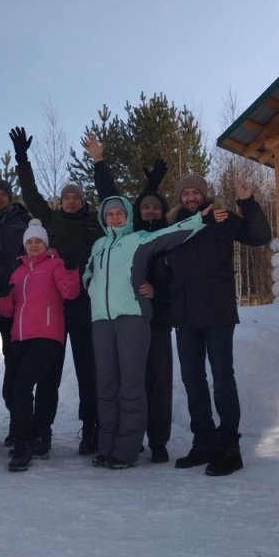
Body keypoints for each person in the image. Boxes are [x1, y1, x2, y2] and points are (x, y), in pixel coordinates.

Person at [83, 196, 211, 469]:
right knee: (106, 385)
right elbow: (89, 270)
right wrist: (89, 283)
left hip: (132, 318)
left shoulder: (138, 239)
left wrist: (199, 219)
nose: (115, 218)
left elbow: (171, 234)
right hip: (101, 321)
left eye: (119, 213)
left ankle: (126, 450)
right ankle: (106, 446)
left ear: (128, 216)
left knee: (131, 385)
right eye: (110, 214)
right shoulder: (98, 245)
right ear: (104, 218)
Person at [166, 173, 271, 476]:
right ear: (180, 197)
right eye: (185, 193)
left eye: (195, 192)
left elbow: (259, 235)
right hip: (185, 315)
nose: (191, 197)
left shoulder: (221, 218)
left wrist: (247, 201)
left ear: (204, 194)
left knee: (223, 379)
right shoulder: (173, 227)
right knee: (192, 380)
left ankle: (229, 449)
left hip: (218, 313)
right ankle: (203, 443)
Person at [10, 125, 102, 455]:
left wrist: (99, 163)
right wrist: (23, 160)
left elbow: (114, 199)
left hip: (85, 303)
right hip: (55, 306)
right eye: (67, 197)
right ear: (61, 202)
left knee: (88, 368)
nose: (71, 201)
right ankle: (41, 430)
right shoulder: (50, 219)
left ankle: (90, 427)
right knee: (49, 371)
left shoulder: (96, 222)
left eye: (76, 197)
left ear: (83, 201)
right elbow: (31, 195)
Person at [85, 134, 175, 462]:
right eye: (145, 206)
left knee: (151, 382)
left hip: (154, 317)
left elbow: (182, 271)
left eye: (156, 206)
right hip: (115, 316)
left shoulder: (155, 236)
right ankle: (121, 442)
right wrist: (98, 162)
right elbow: (112, 199)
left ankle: (156, 442)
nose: (150, 210)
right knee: (116, 382)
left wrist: (157, 292)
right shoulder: (113, 241)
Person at [0, 219, 80, 472]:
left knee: (23, 386)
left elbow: (70, 293)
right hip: (19, 336)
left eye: (38, 241)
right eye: (30, 242)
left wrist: (72, 268)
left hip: (47, 334)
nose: (34, 245)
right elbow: (8, 311)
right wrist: (1, 294)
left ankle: (26, 442)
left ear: (45, 243)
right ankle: (29, 433)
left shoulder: (55, 264)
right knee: (11, 389)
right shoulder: (18, 271)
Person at [0, 178, 31, 444]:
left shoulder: (22, 221)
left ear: (10, 197)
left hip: (16, 300)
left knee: (15, 364)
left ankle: (18, 424)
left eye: (3, 194)